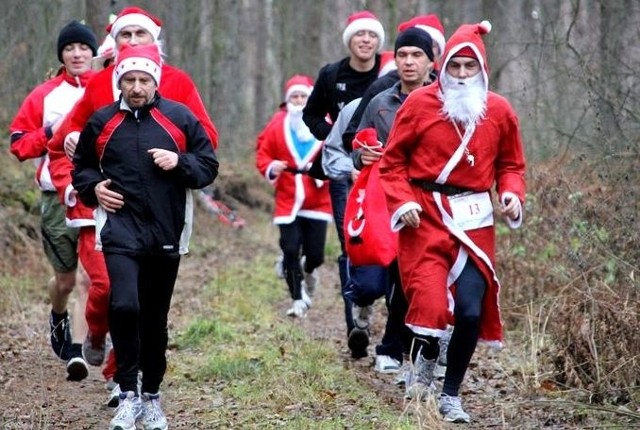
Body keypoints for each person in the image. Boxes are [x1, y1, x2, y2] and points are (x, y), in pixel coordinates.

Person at [47, 5, 219, 405]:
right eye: (126, 36)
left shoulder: (178, 83)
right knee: (114, 292)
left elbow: (206, 143)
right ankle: (118, 374)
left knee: (148, 305)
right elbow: (73, 137)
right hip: (114, 208)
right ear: (115, 44)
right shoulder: (101, 83)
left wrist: (178, 161)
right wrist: (75, 150)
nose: (133, 43)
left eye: (142, 35)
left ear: (155, 45)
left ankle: (134, 379)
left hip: (163, 209)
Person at [378, 21, 526, 423]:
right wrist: (402, 201)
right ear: (442, 68)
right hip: (425, 215)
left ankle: (451, 393)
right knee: (427, 304)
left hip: (475, 219)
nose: (462, 75)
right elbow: (391, 164)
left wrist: (511, 194)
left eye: (469, 67)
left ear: (482, 69)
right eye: (455, 67)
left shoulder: (499, 111)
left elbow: (512, 164)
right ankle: (423, 365)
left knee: (471, 311)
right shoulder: (420, 105)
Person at [9, 20, 98, 381]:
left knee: (88, 279)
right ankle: (58, 315)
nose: (77, 54)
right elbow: (18, 144)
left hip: (96, 194)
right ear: (61, 54)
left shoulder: (109, 88)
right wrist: (51, 132)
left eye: (83, 48)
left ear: (94, 53)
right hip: (55, 198)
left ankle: (77, 350)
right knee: (64, 281)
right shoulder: (44, 94)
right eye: (70, 49)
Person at [349, 27, 436, 375]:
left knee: (407, 278)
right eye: (402, 55)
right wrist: (362, 158)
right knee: (373, 279)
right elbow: (355, 145)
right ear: (394, 60)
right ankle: (364, 305)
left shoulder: (441, 101)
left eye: (417, 55)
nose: (409, 62)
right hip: (379, 199)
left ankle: (394, 347)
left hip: (422, 201)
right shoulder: (380, 102)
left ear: (431, 61)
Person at [302, 10, 385, 358]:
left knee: (383, 242)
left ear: (378, 42)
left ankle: (375, 303)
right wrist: (336, 137)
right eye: (359, 35)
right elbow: (310, 114)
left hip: (383, 172)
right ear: (349, 40)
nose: (365, 40)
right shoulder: (332, 74)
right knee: (351, 241)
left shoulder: (390, 72)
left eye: (371, 35)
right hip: (344, 172)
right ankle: (355, 322)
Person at [256, 75, 333, 318]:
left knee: (316, 255)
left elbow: (335, 149)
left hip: (317, 197)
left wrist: (324, 170)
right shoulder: (277, 123)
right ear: (288, 100)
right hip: (288, 196)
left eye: (303, 96)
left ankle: (309, 270)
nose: (299, 101)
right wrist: (271, 166)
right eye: (294, 97)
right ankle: (298, 299)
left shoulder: (324, 121)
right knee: (290, 249)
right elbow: (263, 153)